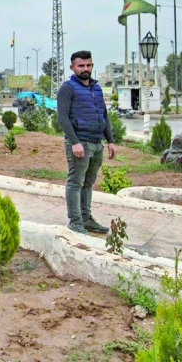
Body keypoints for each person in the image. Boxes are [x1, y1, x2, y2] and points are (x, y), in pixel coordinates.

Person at [56, 51, 117, 234]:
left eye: (88, 65)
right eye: (81, 66)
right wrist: (75, 142)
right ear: (72, 67)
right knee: (75, 182)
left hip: (97, 143)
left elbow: (103, 115)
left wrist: (110, 141)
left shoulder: (96, 89)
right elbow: (63, 118)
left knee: (88, 183)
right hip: (80, 143)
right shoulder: (68, 88)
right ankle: (75, 222)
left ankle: (86, 218)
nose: (85, 69)